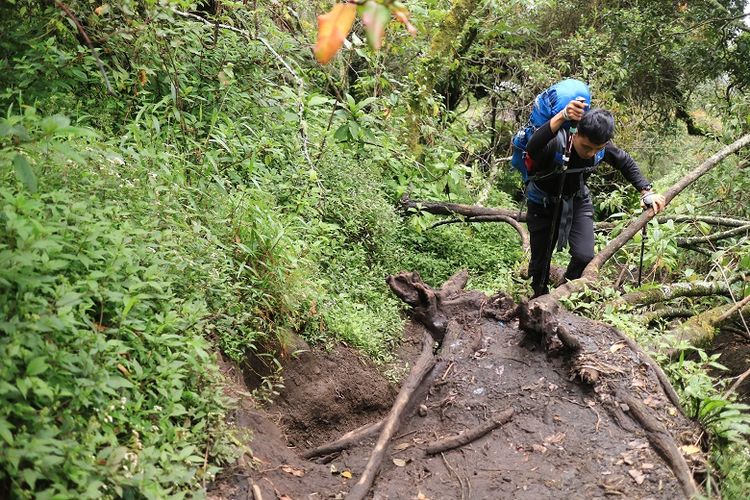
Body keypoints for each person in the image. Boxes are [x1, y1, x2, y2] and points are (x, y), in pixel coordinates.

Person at [524, 98, 666, 298]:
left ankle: (564, 295)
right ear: (577, 133)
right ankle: (536, 303)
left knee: (584, 256)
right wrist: (562, 116)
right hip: (543, 204)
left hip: (577, 200)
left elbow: (625, 162)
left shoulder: (601, 148)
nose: (590, 153)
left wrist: (646, 191)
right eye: (586, 147)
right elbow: (533, 149)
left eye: (597, 149)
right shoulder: (557, 142)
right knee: (540, 262)